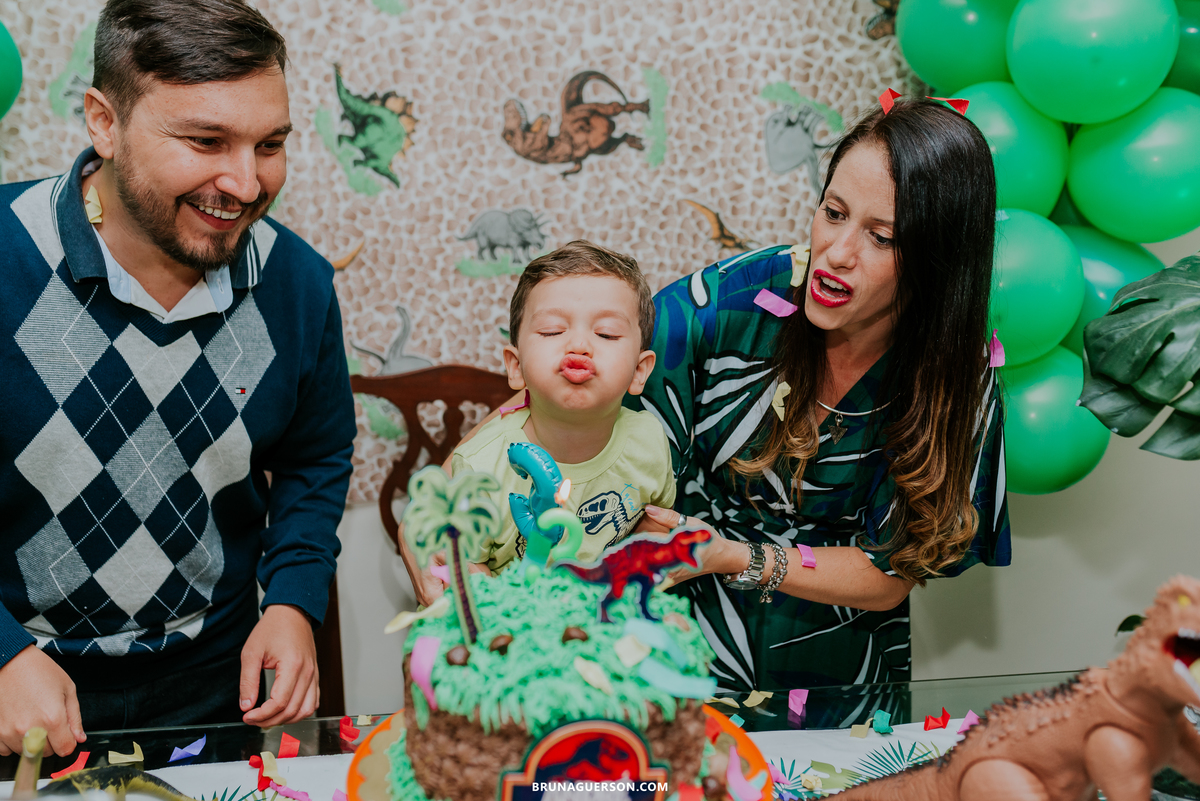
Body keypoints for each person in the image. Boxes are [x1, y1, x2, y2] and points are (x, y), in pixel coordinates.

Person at [0, 0, 356, 754]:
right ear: (104, 120)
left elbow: (314, 458)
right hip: (20, 685)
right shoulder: (6, 256)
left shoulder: (298, 285)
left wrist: (291, 600)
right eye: (206, 141)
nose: (246, 182)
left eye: (270, 145)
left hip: (211, 688)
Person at [629, 98, 1011, 695]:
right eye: (833, 212)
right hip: (675, 660)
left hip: (844, 684)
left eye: (881, 237)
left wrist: (732, 556)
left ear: (938, 259)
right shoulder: (727, 303)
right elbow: (584, 396)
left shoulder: (959, 373)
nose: (837, 253)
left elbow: (889, 572)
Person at [401, 241, 675, 602]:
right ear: (515, 366)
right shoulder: (481, 469)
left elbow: (656, 520)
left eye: (606, 333)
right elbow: (463, 578)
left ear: (640, 372)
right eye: (551, 331)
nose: (579, 344)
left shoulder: (650, 440)